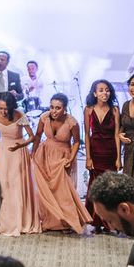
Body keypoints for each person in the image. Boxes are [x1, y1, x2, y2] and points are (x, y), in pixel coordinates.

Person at [0, 92, 40, 237]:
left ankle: (20, 220)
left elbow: (32, 137)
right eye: (0, 108)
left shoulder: (19, 115)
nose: (3, 112)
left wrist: (20, 145)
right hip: (3, 151)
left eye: (6, 108)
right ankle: (4, 219)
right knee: (3, 184)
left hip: (18, 151)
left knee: (17, 184)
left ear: (11, 107)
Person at [32, 92, 91, 233]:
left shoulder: (72, 122)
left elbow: (76, 142)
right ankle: (50, 222)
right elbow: (38, 135)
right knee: (46, 190)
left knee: (63, 192)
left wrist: (70, 159)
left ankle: (67, 221)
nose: (54, 111)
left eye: (58, 108)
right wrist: (33, 153)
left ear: (64, 108)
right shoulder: (44, 117)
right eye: (52, 107)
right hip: (44, 155)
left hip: (63, 157)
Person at [84, 79, 121, 232]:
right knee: (95, 185)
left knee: (109, 186)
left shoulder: (115, 110)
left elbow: (117, 134)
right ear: (95, 93)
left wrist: (119, 158)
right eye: (101, 90)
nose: (104, 93)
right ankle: (96, 220)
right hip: (95, 151)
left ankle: (109, 221)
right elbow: (86, 134)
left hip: (110, 152)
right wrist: (88, 157)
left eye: (107, 90)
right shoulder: (88, 109)